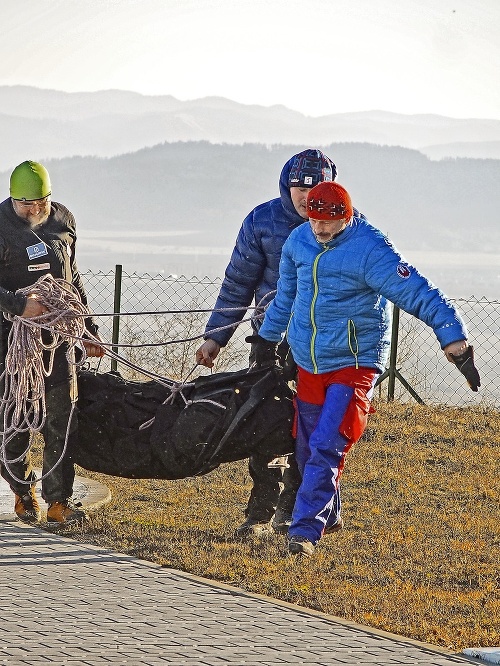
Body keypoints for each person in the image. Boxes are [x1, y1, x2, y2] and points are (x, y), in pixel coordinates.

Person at [254, 180, 480, 556]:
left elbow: (417, 291)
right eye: (315, 221)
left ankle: (304, 532)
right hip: (309, 360)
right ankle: (330, 514)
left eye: (330, 223)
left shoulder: (370, 249)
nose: (321, 230)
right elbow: (286, 297)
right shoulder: (298, 242)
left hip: (354, 361)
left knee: (329, 443)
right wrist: (266, 338)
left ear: (347, 215)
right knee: (308, 447)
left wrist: (453, 338)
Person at [196, 149, 364, 538]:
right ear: (285, 185)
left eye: (314, 187)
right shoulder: (261, 221)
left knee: (318, 431)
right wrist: (215, 337)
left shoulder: (351, 225)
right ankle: (261, 511)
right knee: (265, 425)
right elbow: (237, 283)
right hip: (270, 341)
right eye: (298, 187)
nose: (306, 196)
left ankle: (304, 508)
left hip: (326, 347)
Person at [0, 160, 104, 526]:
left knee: (63, 417)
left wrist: (88, 327)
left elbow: (72, 276)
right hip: (11, 345)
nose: (34, 210)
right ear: (13, 199)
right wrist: (19, 305)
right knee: (15, 421)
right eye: (26, 204)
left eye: (40, 202)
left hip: (58, 340)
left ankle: (59, 500)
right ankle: (22, 491)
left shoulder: (63, 221)